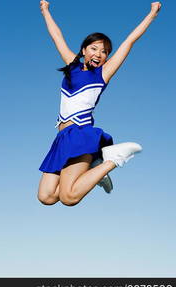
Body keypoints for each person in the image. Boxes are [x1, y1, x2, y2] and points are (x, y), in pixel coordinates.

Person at [37, 1, 161, 206]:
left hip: (80, 135)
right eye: (94, 48)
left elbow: (129, 42)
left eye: (104, 52)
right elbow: (56, 36)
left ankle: (113, 158)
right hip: (62, 138)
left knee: (69, 197)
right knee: (47, 196)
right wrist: (45, 11)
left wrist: (151, 15)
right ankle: (96, 166)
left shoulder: (102, 74)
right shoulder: (72, 65)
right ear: (84, 50)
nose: (98, 54)